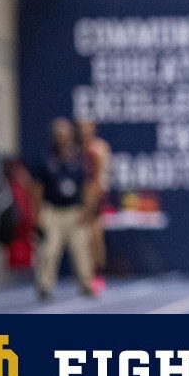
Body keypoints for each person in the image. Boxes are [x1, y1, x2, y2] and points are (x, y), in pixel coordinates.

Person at [31, 118, 96, 301]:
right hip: (53, 211)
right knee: (49, 251)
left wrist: (87, 210)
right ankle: (44, 286)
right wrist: (37, 216)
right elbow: (36, 190)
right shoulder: (45, 160)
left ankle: (86, 284)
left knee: (81, 250)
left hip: (74, 211)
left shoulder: (78, 160)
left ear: (71, 136)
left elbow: (88, 187)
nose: (62, 138)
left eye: (65, 134)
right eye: (58, 135)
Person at [77, 119, 111, 295]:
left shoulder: (99, 149)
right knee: (82, 243)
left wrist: (91, 205)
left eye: (88, 127)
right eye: (82, 127)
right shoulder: (75, 150)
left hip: (95, 202)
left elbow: (101, 180)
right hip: (77, 202)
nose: (85, 131)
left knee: (95, 240)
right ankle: (85, 276)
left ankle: (97, 274)